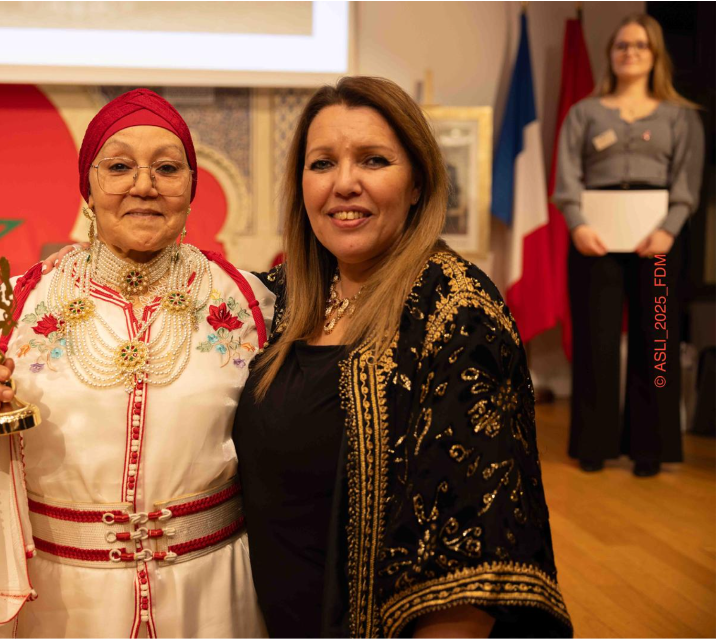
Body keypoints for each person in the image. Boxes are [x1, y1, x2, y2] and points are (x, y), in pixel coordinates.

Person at [44, 77, 571, 637]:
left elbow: (472, 564)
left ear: (417, 181)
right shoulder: (281, 298)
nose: (345, 184)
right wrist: (77, 281)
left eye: (373, 160)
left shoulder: (456, 315)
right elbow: (171, 306)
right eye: (322, 164)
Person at [0, 89, 273, 637]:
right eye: (119, 166)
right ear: (87, 187)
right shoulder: (16, 308)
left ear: (192, 187)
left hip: (212, 597)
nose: (143, 185)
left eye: (167, 168)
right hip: (63, 602)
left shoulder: (253, 305)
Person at [553, 14, 704, 477]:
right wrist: (577, 225)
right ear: (611, 54)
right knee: (596, 341)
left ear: (655, 55)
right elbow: (567, 179)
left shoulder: (682, 117)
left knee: (655, 341)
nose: (630, 52)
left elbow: (687, 185)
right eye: (622, 45)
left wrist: (668, 230)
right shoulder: (584, 112)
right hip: (593, 240)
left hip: (657, 241)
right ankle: (593, 444)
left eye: (640, 45)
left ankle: (650, 448)